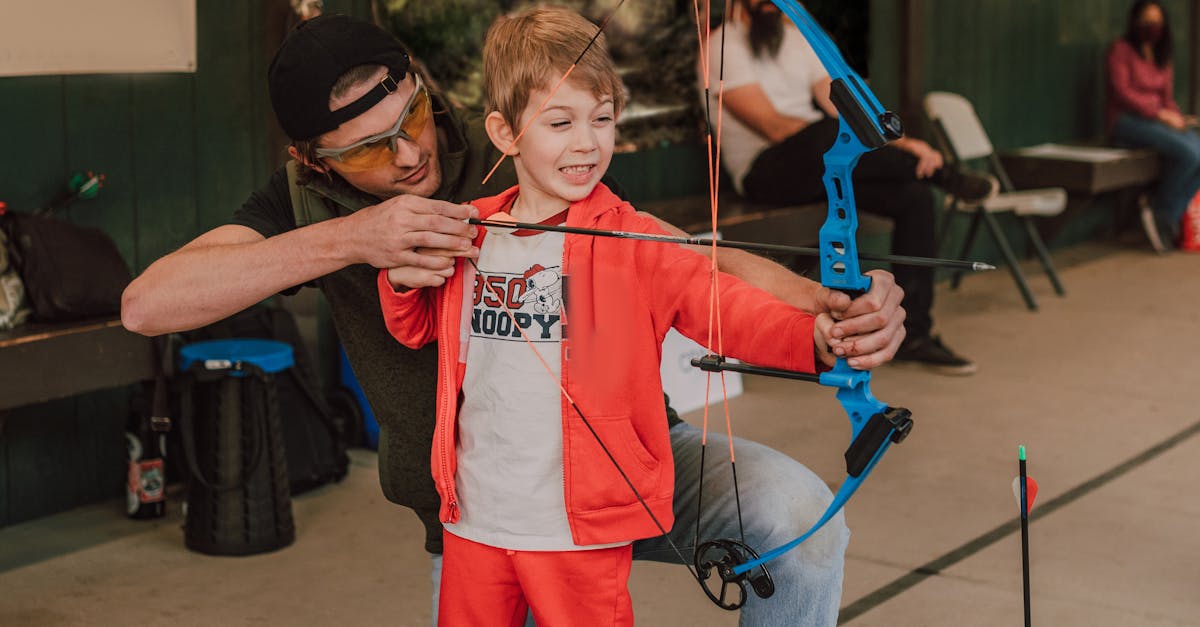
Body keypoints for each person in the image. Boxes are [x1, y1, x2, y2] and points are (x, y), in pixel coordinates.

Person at [120, 12, 906, 626]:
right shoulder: (299, 204)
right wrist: (353, 238)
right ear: (313, 163)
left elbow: (684, 259)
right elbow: (148, 304)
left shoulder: (521, 134)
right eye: (367, 153)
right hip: (477, 508)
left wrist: (826, 309)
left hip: (622, 460)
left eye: (412, 119)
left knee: (804, 526)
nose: (404, 158)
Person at [378, 5, 842, 625]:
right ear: (504, 132)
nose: (587, 142)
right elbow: (414, 327)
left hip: (581, 526)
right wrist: (402, 280)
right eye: (560, 121)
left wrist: (813, 335)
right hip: (476, 518)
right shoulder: (470, 230)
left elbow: (722, 305)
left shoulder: (637, 240)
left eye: (602, 119)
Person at [698, 0, 993, 376]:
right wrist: (846, 138)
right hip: (765, 171)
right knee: (824, 133)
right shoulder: (722, 49)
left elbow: (843, 107)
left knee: (913, 197)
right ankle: (946, 176)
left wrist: (906, 146)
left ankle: (916, 334)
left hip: (819, 161)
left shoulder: (797, 41)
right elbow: (774, 127)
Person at [1106, 0, 1200, 253]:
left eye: (1156, 21)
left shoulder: (1162, 55)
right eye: (1147, 20)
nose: (1152, 26)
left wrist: (1177, 118)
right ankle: (1161, 214)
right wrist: (1160, 114)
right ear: (1135, 21)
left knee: (1197, 151)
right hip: (1127, 122)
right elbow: (1122, 92)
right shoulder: (1121, 49)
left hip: (1159, 121)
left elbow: (1167, 97)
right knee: (1190, 154)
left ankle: (1164, 214)